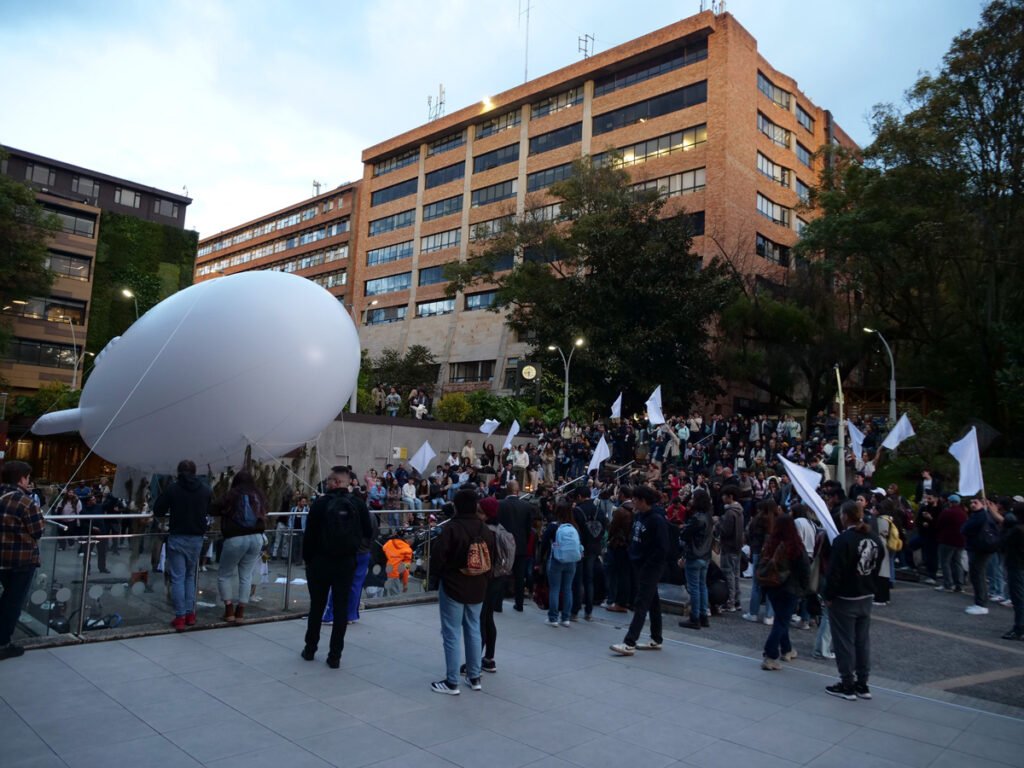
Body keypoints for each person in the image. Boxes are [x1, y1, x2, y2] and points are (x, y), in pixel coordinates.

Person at [301, 469, 373, 669]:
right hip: (346, 562)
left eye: (328, 480)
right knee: (341, 608)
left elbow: (309, 535)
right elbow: (368, 532)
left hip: (320, 561)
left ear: (335, 482)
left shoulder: (320, 504)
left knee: (317, 606)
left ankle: (310, 648)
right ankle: (335, 656)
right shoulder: (358, 504)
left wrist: (308, 560)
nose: (326, 483)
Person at [429, 488, 496, 694]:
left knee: (451, 633)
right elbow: (491, 559)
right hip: (478, 586)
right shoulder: (485, 529)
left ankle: (452, 682)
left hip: (454, 585)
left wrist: (438, 578)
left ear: (456, 506)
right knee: (474, 629)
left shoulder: (452, 528)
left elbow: (438, 557)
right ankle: (474, 677)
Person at [823, 500, 883, 700]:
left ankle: (847, 683)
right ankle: (862, 683)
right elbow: (878, 566)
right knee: (862, 641)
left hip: (845, 596)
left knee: (844, 641)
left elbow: (834, 572)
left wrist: (828, 595)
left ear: (845, 516)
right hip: (866, 594)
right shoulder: (874, 538)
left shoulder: (843, 540)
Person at [153, 460, 211, 632]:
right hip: (196, 538)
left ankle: (180, 617)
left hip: (178, 536)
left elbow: (158, 510)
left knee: (178, 577)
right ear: (195, 472)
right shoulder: (205, 489)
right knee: (190, 576)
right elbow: (210, 509)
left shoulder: (173, 488)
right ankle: (190, 614)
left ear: (178, 472)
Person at [611, 485, 669, 655]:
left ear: (643, 501)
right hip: (639, 563)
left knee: (641, 603)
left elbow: (662, 547)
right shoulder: (639, 516)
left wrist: (648, 564)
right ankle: (656, 638)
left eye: (636, 499)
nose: (633, 502)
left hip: (650, 567)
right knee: (653, 602)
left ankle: (629, 642)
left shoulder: (657, 520)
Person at [0, 461, 45, 660]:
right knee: (12, 602)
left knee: (6, 599)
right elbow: (38, 531)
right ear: (21, 479)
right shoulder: (26, 503)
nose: (28, 481)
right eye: (27, 477)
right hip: (21, 561)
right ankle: (3, 643)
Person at [211, 471, 267, 624]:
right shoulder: (258, 495)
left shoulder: (231, 495)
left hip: (235, 538)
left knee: (225, 574)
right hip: (256, 537)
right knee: (246, 575)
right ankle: (240, 611)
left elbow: (213, 508)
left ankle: (229, 610)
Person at [759, 515, 810, 670]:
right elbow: (804, 568)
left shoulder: (770, 543)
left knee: (781, 618)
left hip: (772, 585)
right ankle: (770, 655)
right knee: (782, 620)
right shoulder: (795, 546)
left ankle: (787, 649)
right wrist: (805, 588)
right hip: (790, 587)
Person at [542, 499, 581, 627]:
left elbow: (544, 543)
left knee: (555, 588)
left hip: (556, 559)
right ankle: (566, 618)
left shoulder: (553, 526)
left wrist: (540, 559)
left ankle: (553, 618)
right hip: (571, 561)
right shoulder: (574, 527)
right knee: (568, 589)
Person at [679, 489, 714, 630]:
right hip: (705, 555)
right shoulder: (709, 517)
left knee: (694, 587)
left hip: (695, 554)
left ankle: (695, 617)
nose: (691, 500)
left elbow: (685, 534)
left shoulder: (697, 518)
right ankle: (703, 615)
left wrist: (683, 530)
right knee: (702, 586)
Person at [498, 480, 534, 612]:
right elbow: (529, 528)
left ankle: (498, 603)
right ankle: (519, 604)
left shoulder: (500, 504)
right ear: (518, 491)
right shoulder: (526, 506)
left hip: (503, 544)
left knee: (501, 574)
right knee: (519, 576)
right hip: (520, 544)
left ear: (507, 490)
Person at [718, 486, 745, 612]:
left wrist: (719, 522)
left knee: (728, 574)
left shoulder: (729, 513)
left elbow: (725, 531)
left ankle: (730, 601)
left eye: (725, 495)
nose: (723, 498)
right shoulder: (740, 511)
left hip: (728, 546)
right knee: (736, 574)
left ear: (730, 496)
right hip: (737, 546)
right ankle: (737, 600)